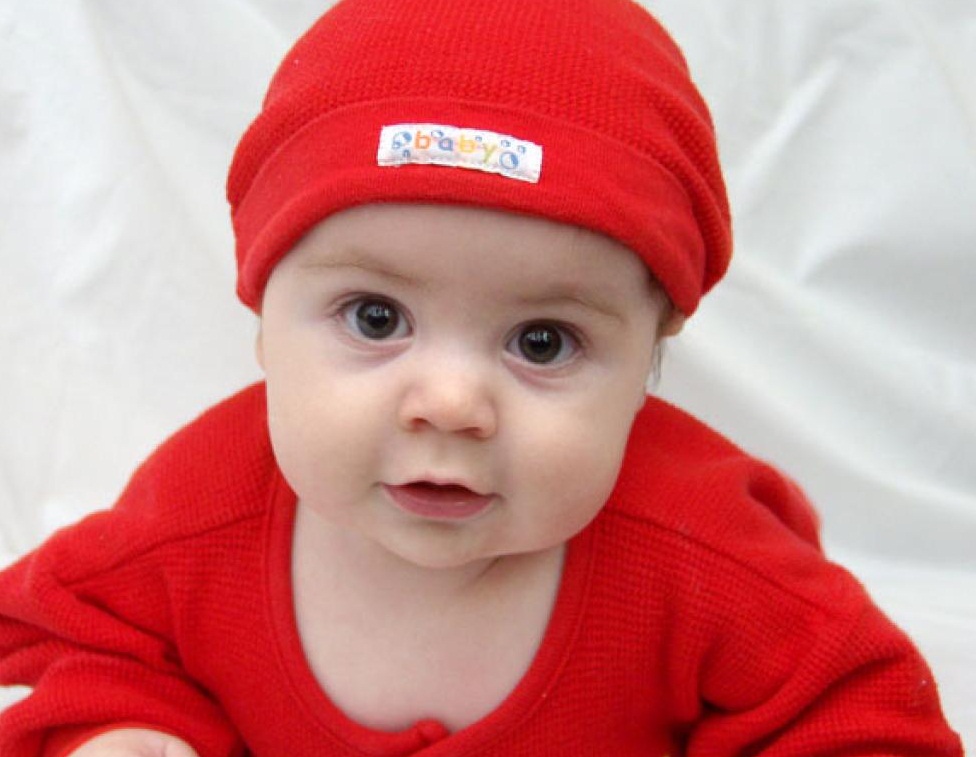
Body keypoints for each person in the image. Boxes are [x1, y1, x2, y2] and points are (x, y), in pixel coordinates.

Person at [0, 0, 963, 754]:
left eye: (541, 341)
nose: (452, 404)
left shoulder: (708, 554)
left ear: (652, 349)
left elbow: (861, 716)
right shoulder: (198, 510)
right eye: (376, 318)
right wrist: (124, 729)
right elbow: (93, 637)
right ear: (260, 311)